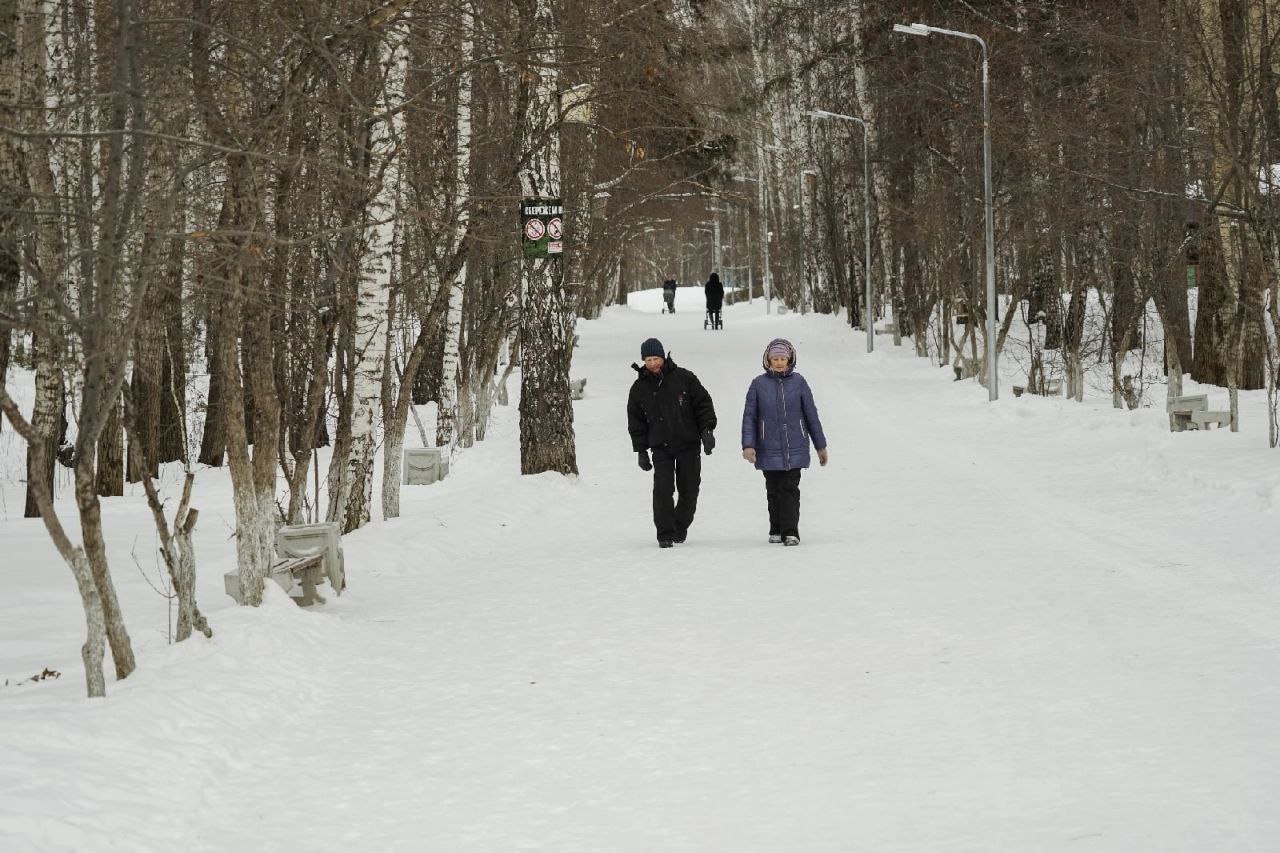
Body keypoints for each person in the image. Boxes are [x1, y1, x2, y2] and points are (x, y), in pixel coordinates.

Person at [627, 338, 717, 548]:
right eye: (648, 360)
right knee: (662, 491)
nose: (653, 364)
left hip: (688, 444)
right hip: (661, 448)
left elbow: (703, 405)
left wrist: (707, 431)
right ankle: (665, 533)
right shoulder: (639, 388)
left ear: (664, 357)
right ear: (643, 361)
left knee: (690, 489)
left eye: (656, 358)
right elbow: (636, 422)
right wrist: (641, 451)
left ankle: (680, 525)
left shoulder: (684, 378)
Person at [740, 338, 828, 546]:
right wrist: (748, 445)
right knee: (773, 490)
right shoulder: (758, 384)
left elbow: (811, 416)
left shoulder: (799, 383)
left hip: (794, 448)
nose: (779, 362)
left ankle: (791, 532)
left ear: (790, 360)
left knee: (789, 489)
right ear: (768, 361)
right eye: (775, 358)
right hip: (767, 448)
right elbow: (749, 417)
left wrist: (820, 446)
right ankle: (776, 528)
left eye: (783, 358)